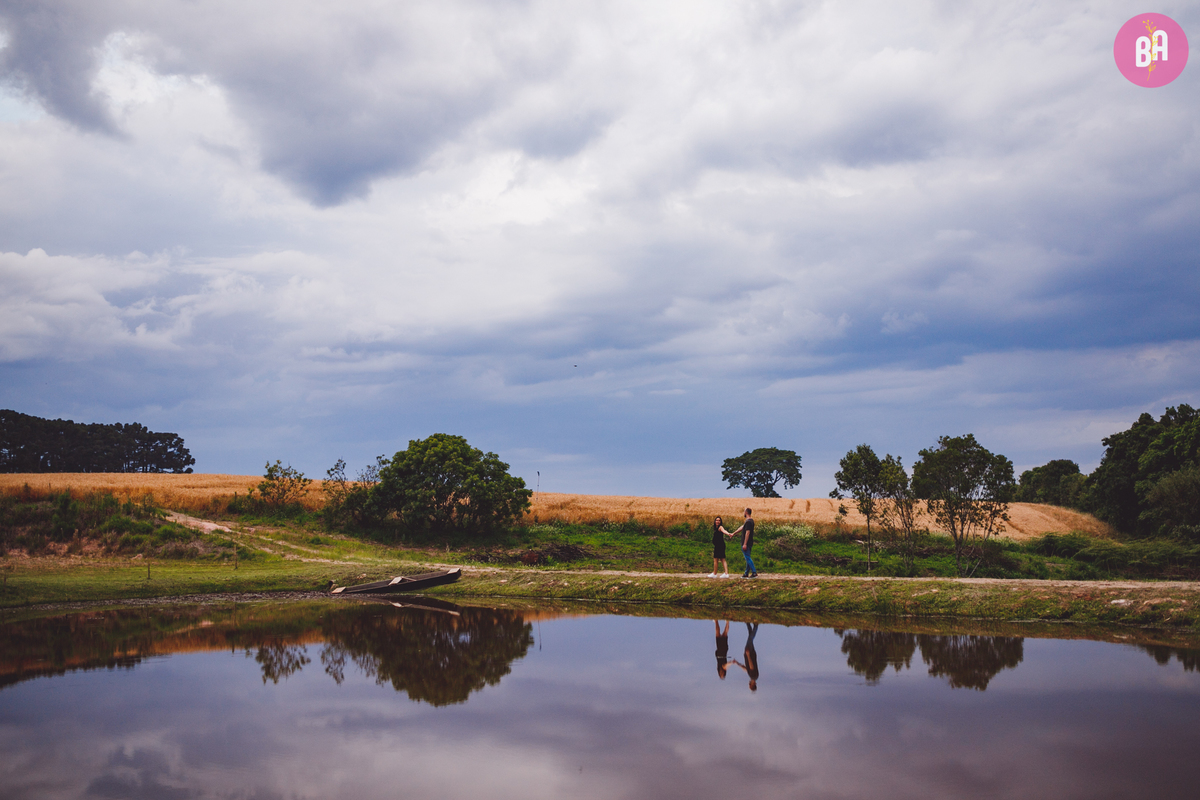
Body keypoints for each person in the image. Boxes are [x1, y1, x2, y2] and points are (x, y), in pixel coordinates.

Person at [730, 622, 759, 691]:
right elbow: (751, 667)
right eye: (750, 685)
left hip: (752, 654)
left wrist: (738, 664)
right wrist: (748, 655)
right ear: (753, 685)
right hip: (750, 654)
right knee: (750, 640)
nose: (748, 684)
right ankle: (756, 625)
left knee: (750, 639)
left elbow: (747, 669)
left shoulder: (754, 676)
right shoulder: (753, 676)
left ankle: (748, 623)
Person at [730, 507, 758, 578]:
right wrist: (734, 533)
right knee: (748, 557)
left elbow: (747, 533)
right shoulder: (749, 521)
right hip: (750, 542)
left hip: (747, 543)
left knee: (747, 558)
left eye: (744, 511)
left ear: (746, 512)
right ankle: (746, 573)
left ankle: (754, 572)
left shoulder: (748, 522)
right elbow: (742, 527)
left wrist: (745, 544)